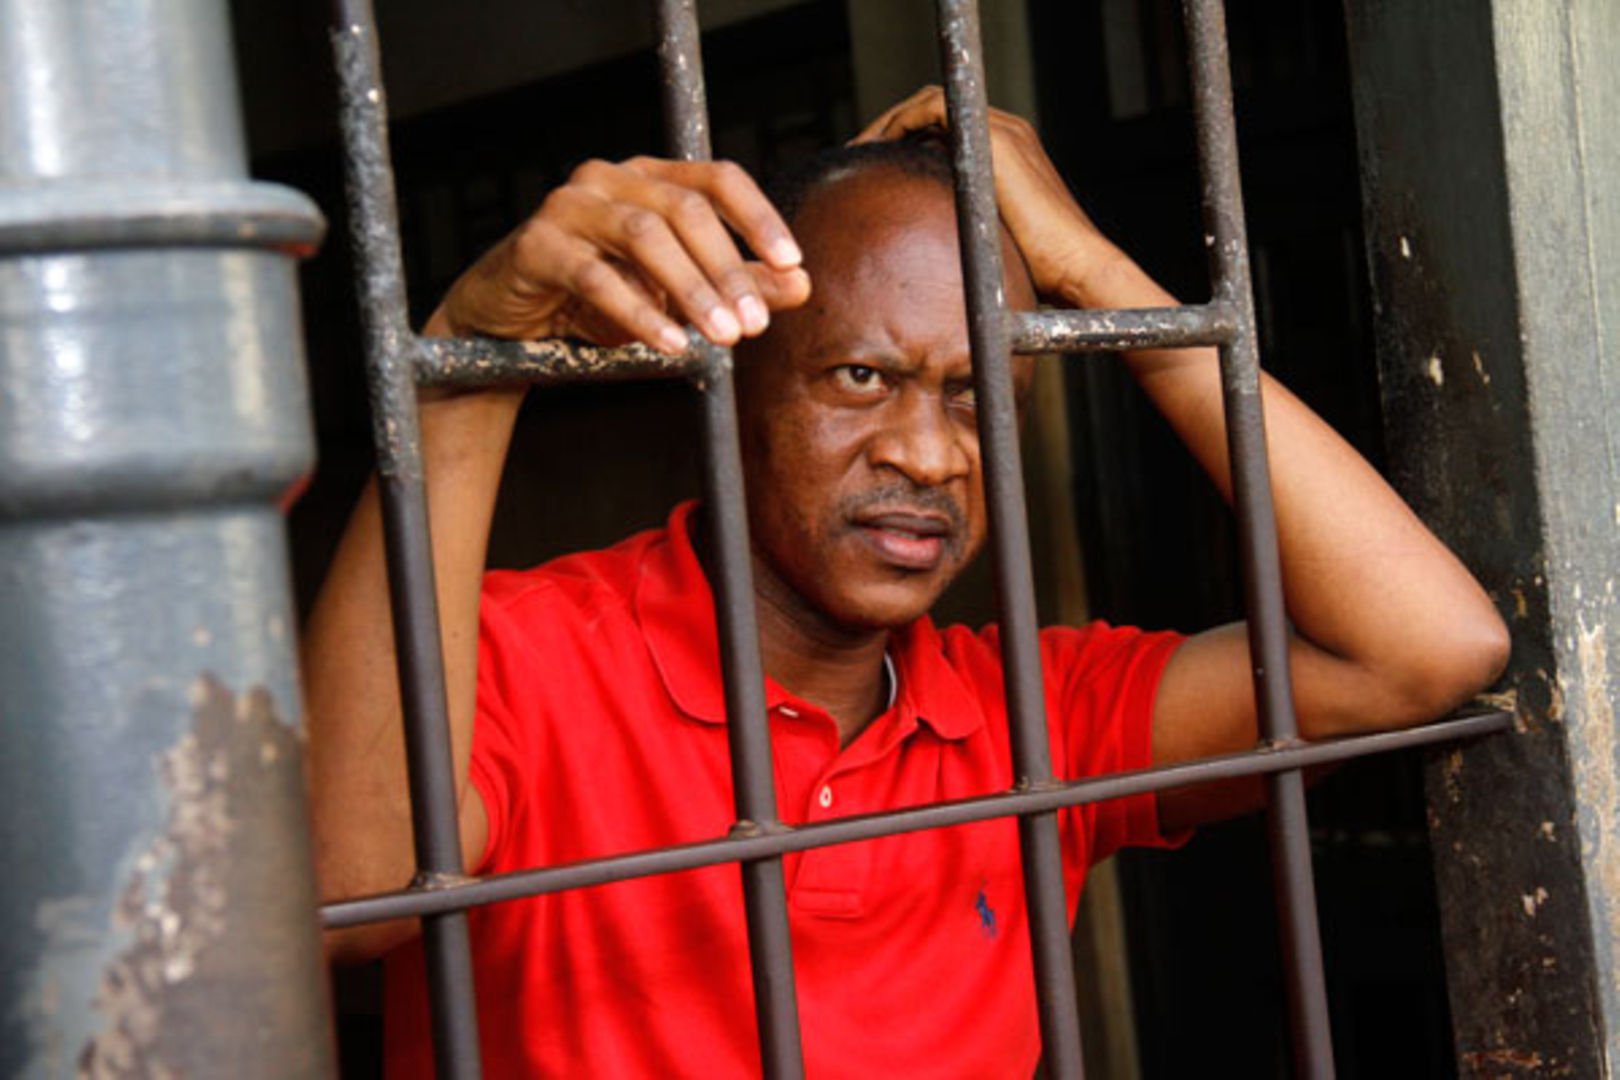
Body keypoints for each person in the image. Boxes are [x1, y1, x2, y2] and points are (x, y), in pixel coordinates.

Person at [302, 88, 1509, 1077]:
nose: (931, 457)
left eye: (977, 394)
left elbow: (1425, 651)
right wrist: (468, 369)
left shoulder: (1034, 720)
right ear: (730, 385)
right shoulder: (520, 656)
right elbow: (348, 890)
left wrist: (1092, 278)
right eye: (862, 379)